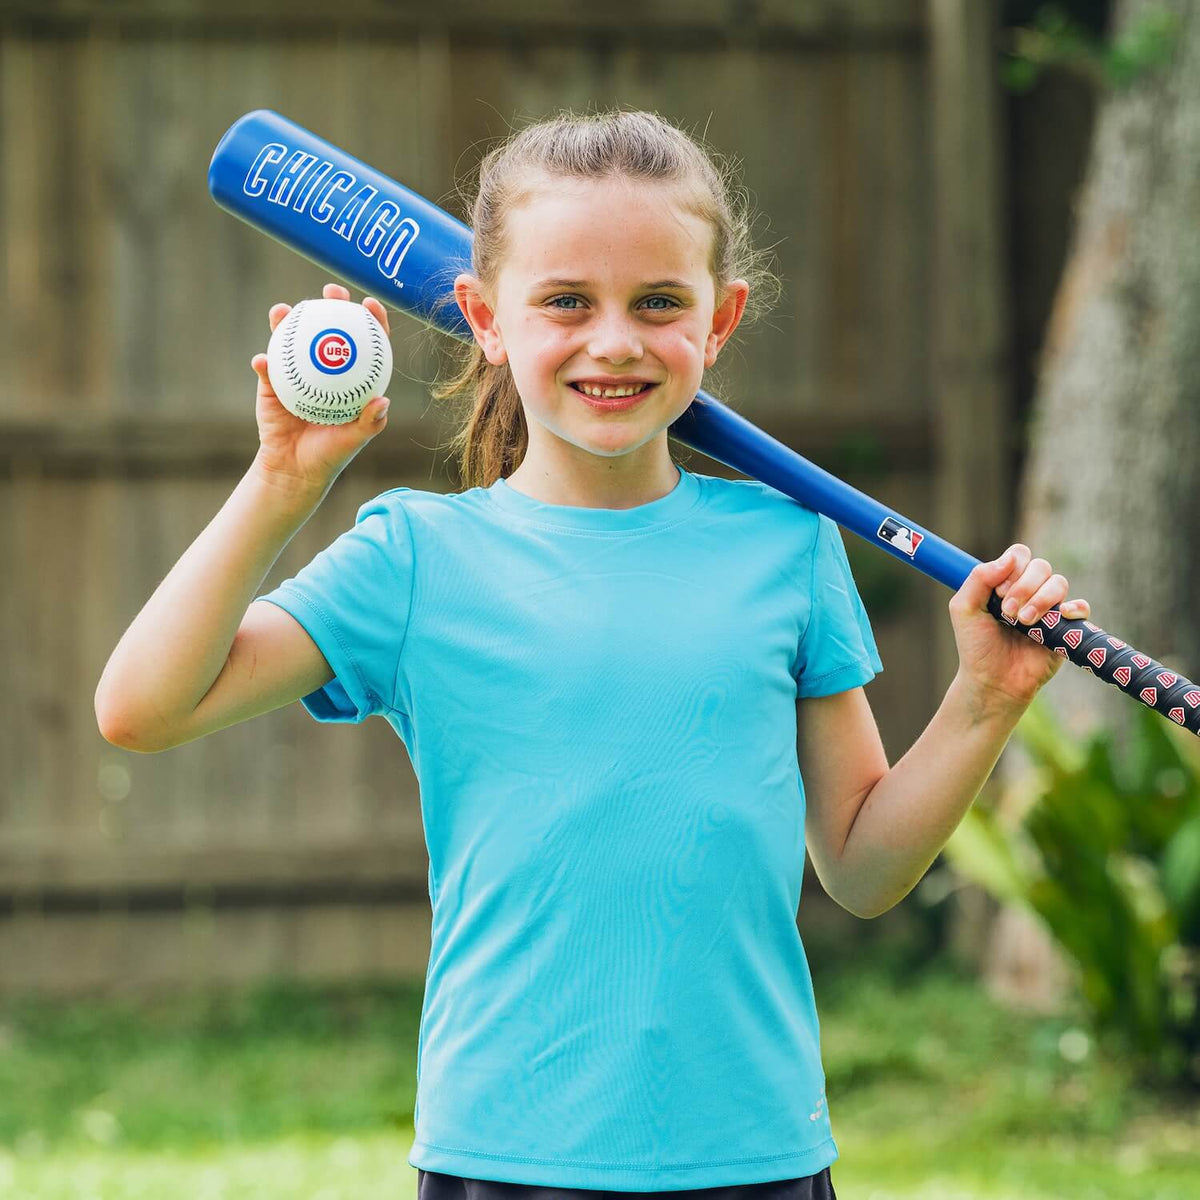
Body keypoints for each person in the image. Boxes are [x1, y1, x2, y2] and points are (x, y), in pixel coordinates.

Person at [94, 108, 1091, 1198]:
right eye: (565, 301)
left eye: (659, 303)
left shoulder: (785, 546)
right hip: (504, 1156)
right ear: (483, 316)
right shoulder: (418, 558)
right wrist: (285, 480)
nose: (613, 340)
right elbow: (143, 706)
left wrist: (985, 699)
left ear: (720, 322)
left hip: (753, 1152)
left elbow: (859, 866)